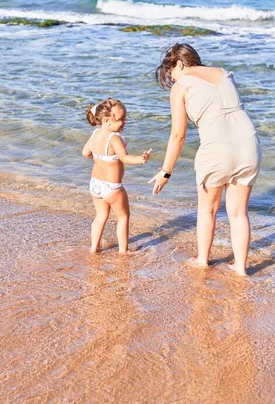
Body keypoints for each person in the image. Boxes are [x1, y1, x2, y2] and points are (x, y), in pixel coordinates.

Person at [149, 43, 261, 276]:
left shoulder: (181, 86)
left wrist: (165, 171)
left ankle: (203, 260)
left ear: (179, 64)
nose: (171, 78)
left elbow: (178, 135)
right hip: (248, 143)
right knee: (239, 212)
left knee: (207, 210)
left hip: (217, 148)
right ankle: (240, 267)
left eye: (170, 73)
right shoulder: (222, 72)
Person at [82, 98, 151, 254]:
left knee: (100, 216)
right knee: (123, 217)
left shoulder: (95, 134)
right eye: (120, 119)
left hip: (95, 184)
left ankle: (94, 247)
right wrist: (141, 159)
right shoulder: (114, 138)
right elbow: (124, 158)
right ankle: (123, 251)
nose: (124, 122)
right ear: (106, 121)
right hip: (112, 187)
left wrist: (99, 158)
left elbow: (85, 153)